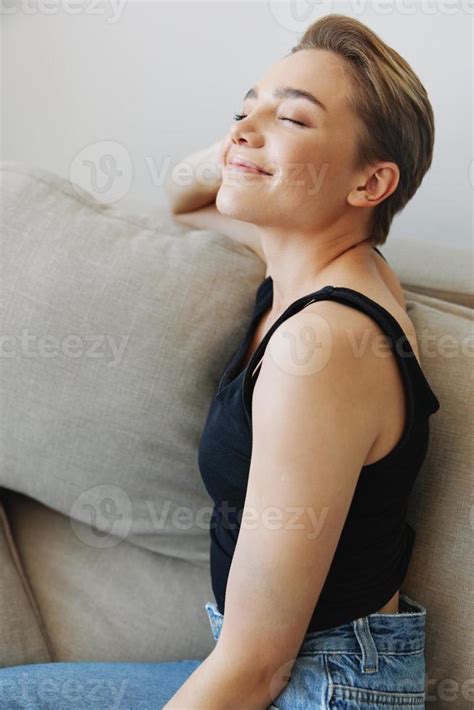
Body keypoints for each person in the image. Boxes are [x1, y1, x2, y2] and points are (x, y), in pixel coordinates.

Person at [0, 13, 440, 710]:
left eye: (296, 120)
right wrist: (261, 126)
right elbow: (185, 193)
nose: (244, 127)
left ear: (368, 184)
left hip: (316, 688)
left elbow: (256, 667)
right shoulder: (312, 261)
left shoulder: (320, 348)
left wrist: (258, 131)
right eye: (242, 107)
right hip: (284, 669)